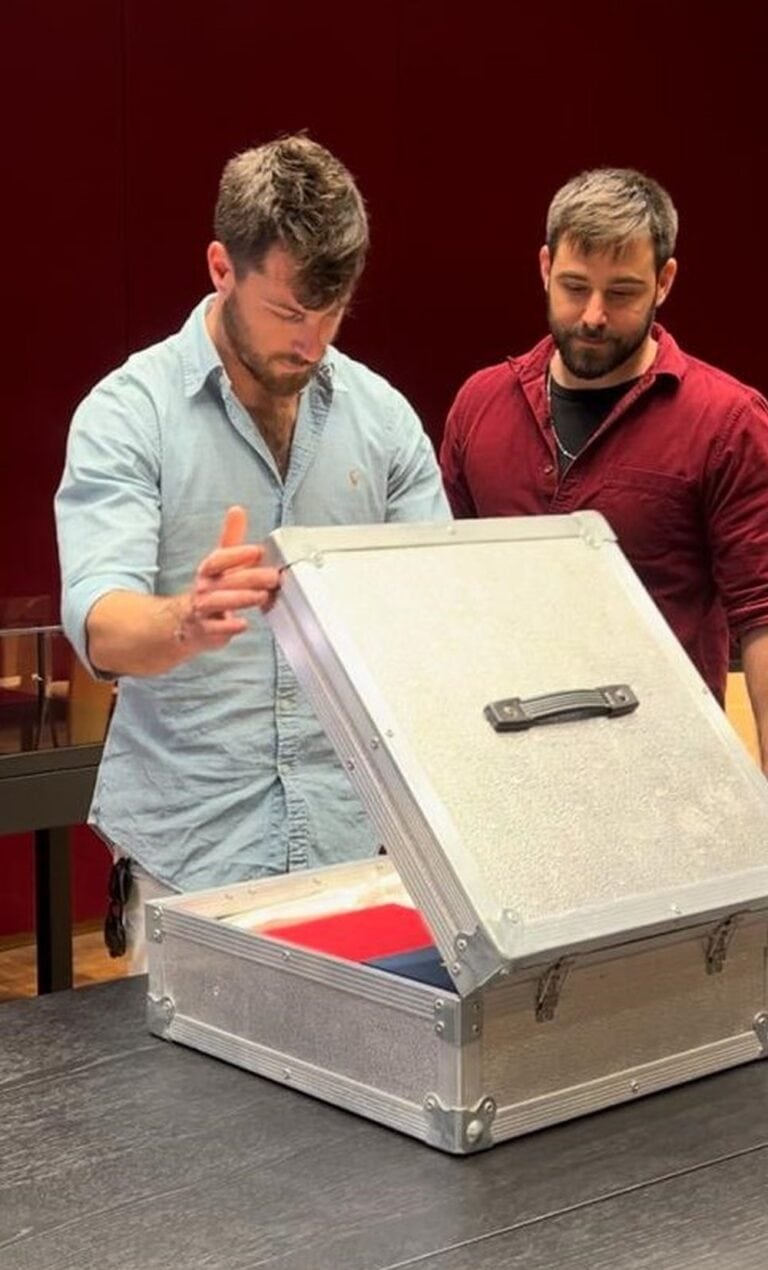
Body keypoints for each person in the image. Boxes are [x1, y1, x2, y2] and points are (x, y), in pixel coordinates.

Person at [56, 135, 450, 967]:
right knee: (188, 1103)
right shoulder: (130, 413)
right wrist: (184, 621)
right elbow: (99, 622)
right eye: (287, 313)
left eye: (332, 313)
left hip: (358, 856)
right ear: (220, 268)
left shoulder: (382, 422)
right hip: (190, 863)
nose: (311, 343)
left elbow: (431, 609)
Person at [440, 166, 768, 771]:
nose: (592, 315)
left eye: (621, 293)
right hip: (505, 770)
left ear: (664, 281)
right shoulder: (480, 405)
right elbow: (446, 597)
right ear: (543, 267)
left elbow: (762, 615)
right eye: (573, 287)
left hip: (665, 777)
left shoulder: (728, 423)